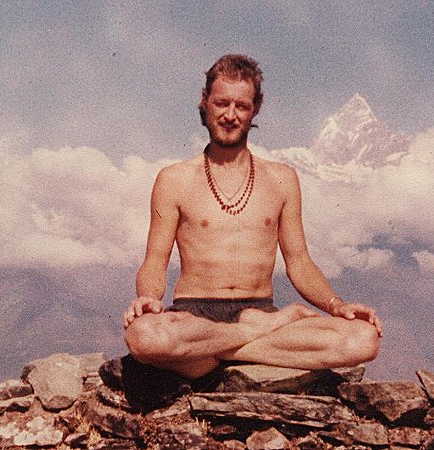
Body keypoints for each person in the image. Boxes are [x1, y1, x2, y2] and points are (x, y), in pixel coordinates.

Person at [123, 54, 382, 383]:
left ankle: (210, 356)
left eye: (241, 106)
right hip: (195, 314)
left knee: (363, 338)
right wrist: (148, 298)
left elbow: (300, 262)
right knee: (144, 336)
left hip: (255, 311)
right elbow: (155, 261)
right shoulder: (174, 179)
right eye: (221, 103)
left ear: (255, 108)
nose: (230, 115)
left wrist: (336, 306)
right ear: (205, 102)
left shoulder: (281, 179)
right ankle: (257, 336)